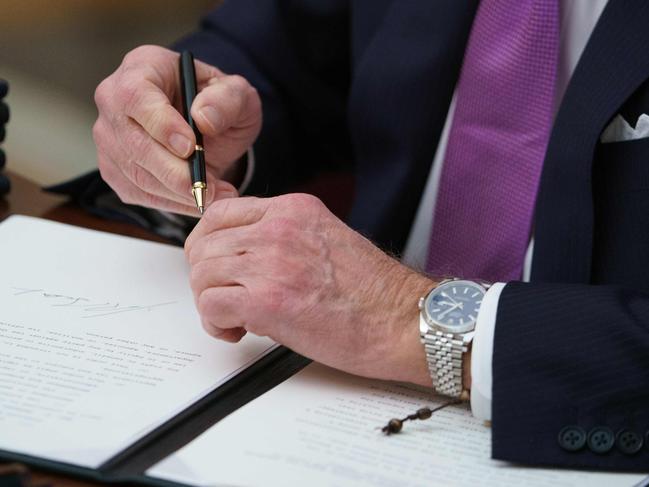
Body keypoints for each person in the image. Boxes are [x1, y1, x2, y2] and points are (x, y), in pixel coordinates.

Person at [92, 0, 649, 470]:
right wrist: (203, 125)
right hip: (322, 408)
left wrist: (407, 317)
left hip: (570, 429)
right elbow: (280, 48)